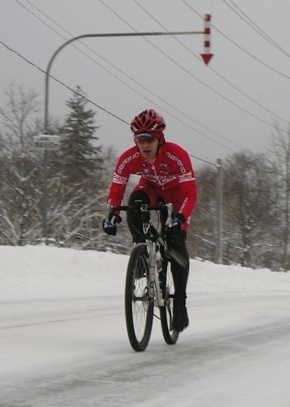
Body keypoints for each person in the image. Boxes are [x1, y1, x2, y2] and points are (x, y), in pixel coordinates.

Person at [103, 109, 197, 332]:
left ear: (160, 138)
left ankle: (180, 303)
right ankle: (145, 250)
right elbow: (117, 188)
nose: (144, 146)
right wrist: (112, 215)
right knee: (135, 202)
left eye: (150, 140)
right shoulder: (129, 158)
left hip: (178, 196)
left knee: (176, 241)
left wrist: (180, 218)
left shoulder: (177, 155)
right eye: (140, 140)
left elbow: (190, 193)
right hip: (152, 189)